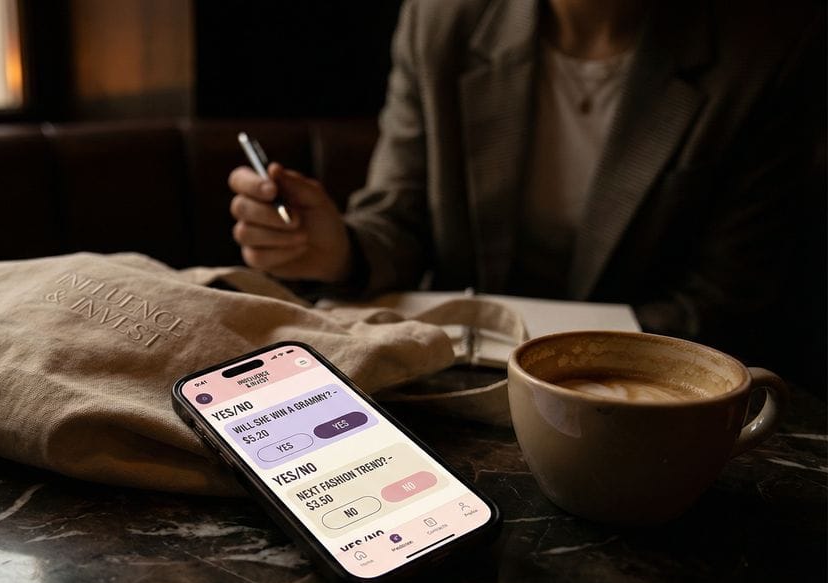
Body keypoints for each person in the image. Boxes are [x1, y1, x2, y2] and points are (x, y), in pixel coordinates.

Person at [227, 0, 824, 361]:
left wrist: (549, 352)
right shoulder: (443, 20)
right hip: (464, 386)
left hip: (654, 397)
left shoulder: (767, 48)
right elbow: (399, 218)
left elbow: (727, 306)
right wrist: (340, 251)